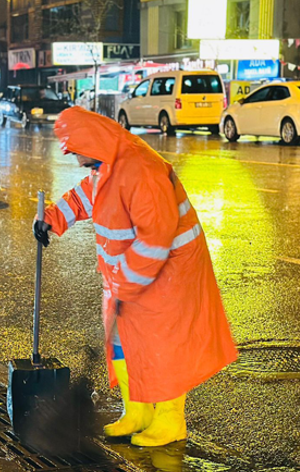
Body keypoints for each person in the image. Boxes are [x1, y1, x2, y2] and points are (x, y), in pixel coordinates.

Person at [33, 106, 237, 447]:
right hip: (129, 274)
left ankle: (170, 421)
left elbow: (156, 235)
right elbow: (86, 195)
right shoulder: (106, 164)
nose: (80, 163)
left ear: (92, 142)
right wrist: (51, 219)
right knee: (122, 341)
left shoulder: (141, 169)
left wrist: (126, 284)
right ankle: (137, 411)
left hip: (168, 274)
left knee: (160, 346)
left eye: (80, 154)